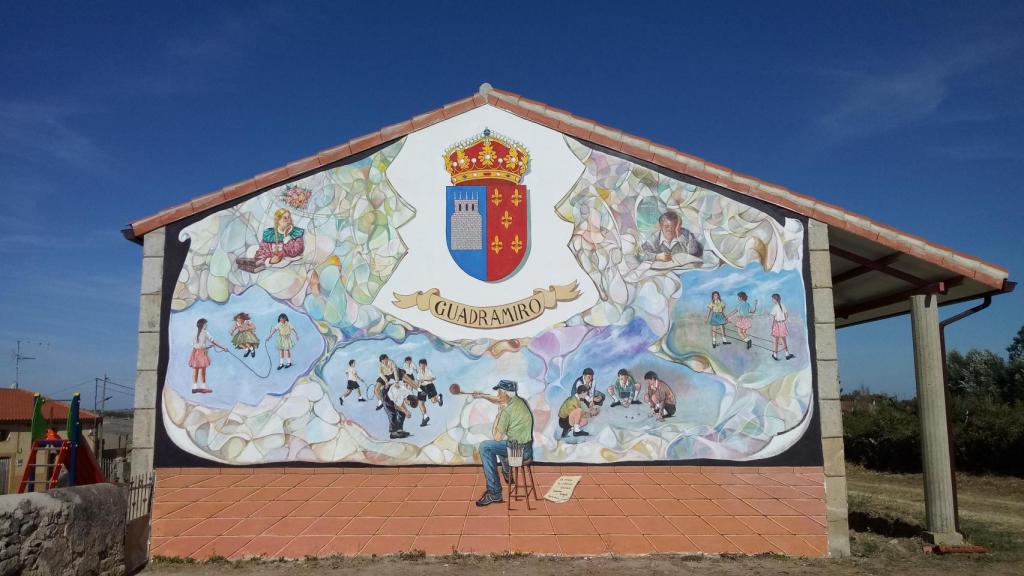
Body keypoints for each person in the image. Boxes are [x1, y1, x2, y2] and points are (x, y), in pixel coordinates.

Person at [472, 380, 535, 507]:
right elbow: (498, 400)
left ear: (505, 393)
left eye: (499, 391)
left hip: (518, 452)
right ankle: (507, 473)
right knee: (504, 445)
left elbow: (496, 437)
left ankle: (494, 492)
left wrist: (498, 414)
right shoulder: (519, 401)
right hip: (526, 449)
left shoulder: (506, 411)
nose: (497, 393)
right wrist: (482, 396)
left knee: (486, 446)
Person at [189, 318, 228, 394]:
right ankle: (203, 386)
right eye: (206, 324)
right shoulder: (205, 332)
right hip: (202, 352)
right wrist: (223, 347)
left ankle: (194, 386)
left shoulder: (194, 332)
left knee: (195, 369)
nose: (206, 325)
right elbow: (214, 341)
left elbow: (195, 345)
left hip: (195, 352)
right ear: (203, 325)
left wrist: (206, 346)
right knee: (203, 370)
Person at [383, 373, 412, 439]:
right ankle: (393, 433)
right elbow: (396, 405)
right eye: (409, 383)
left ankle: (399, 430)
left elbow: (401, 401)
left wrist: (406, 411)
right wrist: (405, 411)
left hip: (394, 397)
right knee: (392, 413)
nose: (410, 386)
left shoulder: (406, 389)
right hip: (387, 397)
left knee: (402, 413)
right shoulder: (399, 387)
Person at [770, 293, 796, 361]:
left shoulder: (775, 307)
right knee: (784, 340)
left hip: (776, 324)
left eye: (772, 299)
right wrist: (783, 320)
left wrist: (773, 326)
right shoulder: (783, 305)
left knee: (776, 341)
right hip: (782, 324)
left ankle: (775, 355)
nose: (772, 300)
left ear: (775, 299)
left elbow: (773, 318)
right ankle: (787, 354)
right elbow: (786, 315)